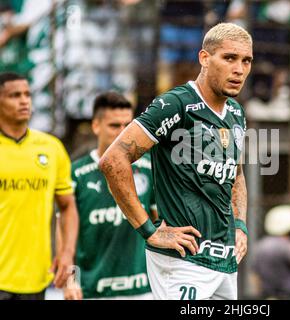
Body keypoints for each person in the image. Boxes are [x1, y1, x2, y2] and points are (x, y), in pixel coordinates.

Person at [99, 22, 252, 300]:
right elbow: (113, 159)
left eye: (246, 61)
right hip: (183, 262)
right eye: (229, 58)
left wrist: (239, 225)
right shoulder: (176, 104)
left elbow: (236, 175)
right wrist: (149, 231)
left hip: (226, 263)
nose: (239, 69)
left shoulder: (236, 113)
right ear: (204, 58)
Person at [63, 92, 156, 300]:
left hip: (143, 291)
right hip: (92, 291)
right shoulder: (76, 174)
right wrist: (71, 280)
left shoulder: (149, 167)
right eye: (115, 126)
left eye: (127, 126)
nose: (123, 134)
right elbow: (67, 233)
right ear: (96, 126)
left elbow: (162, 224)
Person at [0, 72, 78, 300]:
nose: (24, 101)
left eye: (27, 94)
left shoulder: (51, 148)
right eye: (15, 95)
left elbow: (67, 207)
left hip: (37, 279)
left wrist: (66, 254)